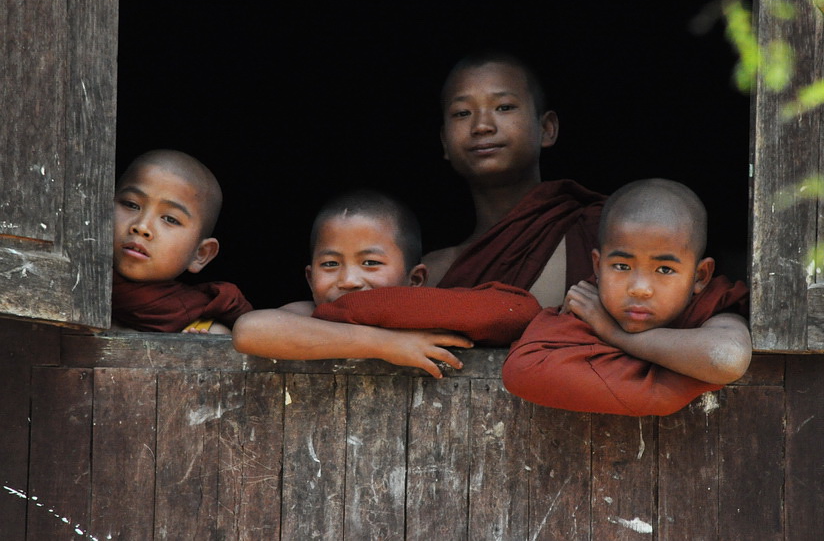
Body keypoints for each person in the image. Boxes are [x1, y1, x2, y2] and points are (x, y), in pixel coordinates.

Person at [502, 178, 753, 416]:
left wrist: (613, 333)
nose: (640, 288)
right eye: (622, 266)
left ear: (700, 276)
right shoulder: (587, 303)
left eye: (664, 269)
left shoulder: (714, 304)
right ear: (598, 267)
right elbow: (523, 370)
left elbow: (727, 360)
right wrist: (679, 376)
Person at [232, 189, 541, 378]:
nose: (349, 280)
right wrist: (386, 345)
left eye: (370, 263)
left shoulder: (425, 315)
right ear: (309, 278)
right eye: (330, 264)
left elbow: (510, 313)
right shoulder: (311, 313)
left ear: (416, 279)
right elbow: (250, 330)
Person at [422, 51, 606, 308]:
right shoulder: (430, 273)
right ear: (444, 142)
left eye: (504, 107)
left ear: (547, 129)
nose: (482, 126)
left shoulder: (600, 233)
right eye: (462, 113)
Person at [111, 149, 252, 334]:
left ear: (200, 254)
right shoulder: (69, 299)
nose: (142, 226)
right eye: (131, 204)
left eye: (170, 219)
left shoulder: (206, 333)